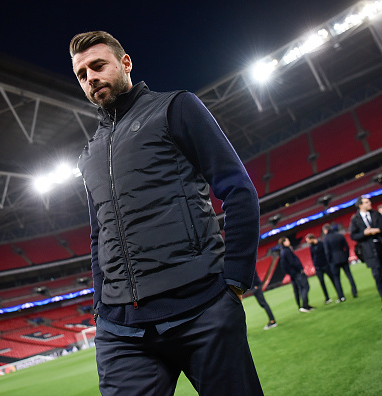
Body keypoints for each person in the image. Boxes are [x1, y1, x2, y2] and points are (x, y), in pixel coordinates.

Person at [70, 31, 263, 395]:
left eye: (98, 66)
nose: (91, 77)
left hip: (202, 308)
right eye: (82, 74)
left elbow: (237, 189)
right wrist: (100, 305)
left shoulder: (176, 107)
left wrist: (235, 281)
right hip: (121, 329)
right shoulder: (89, 154)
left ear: (125, 63)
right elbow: (99, 237)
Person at [322, 224, 358, 300]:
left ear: (325, 230)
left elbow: (327, 252)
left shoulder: (326, 239)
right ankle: (354, 291)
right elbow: (347, 247)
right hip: (343, 257)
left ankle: (341, 296)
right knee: (349, 275)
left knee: (336, 279)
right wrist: (346, 256)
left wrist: (329, 261)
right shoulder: (339, 235)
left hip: (333, 261)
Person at [278, 237, 314, 312]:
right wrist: (299, 270)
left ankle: (303, 305)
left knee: (299, 289)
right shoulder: (287, 251)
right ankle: (305, 305)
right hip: (296, 273)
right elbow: (292, 262)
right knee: (305, 287)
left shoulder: (283, 251)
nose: (289, 241)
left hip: (293, 274)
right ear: (284, 242)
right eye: (287, 240)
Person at [305, 233, 341, 304]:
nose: (307, 242)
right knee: (322, 283)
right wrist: (315, 266)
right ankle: (327, 298)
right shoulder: (311, 247)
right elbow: (312, 257)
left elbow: (326, 253)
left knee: (333, 280)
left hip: (326, 265)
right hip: (318, 268)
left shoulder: (321, 244)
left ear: (312, 238)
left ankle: (339, 295)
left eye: (308, 240)